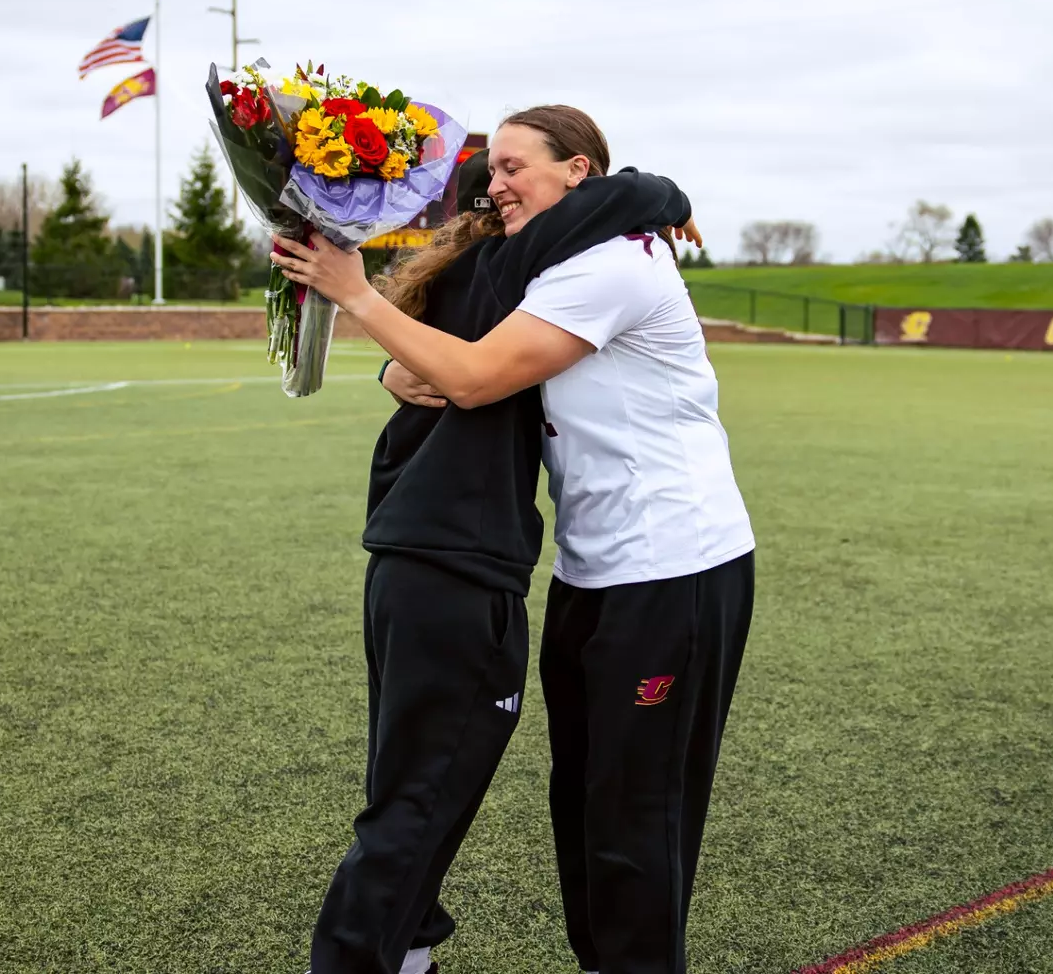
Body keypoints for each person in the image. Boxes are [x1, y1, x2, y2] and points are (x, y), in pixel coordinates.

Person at [274, 105, 756, 974]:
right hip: (591, 567)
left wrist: (352, 292)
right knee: (584, 800)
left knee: (634, 813)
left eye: (511, 166)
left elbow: (474, 376)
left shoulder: (613, 264)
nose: (493, 184)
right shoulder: (558, 258)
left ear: (578, 174)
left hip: (675, 567)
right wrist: (396, 364)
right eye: (488, 169)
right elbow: (440, 349)